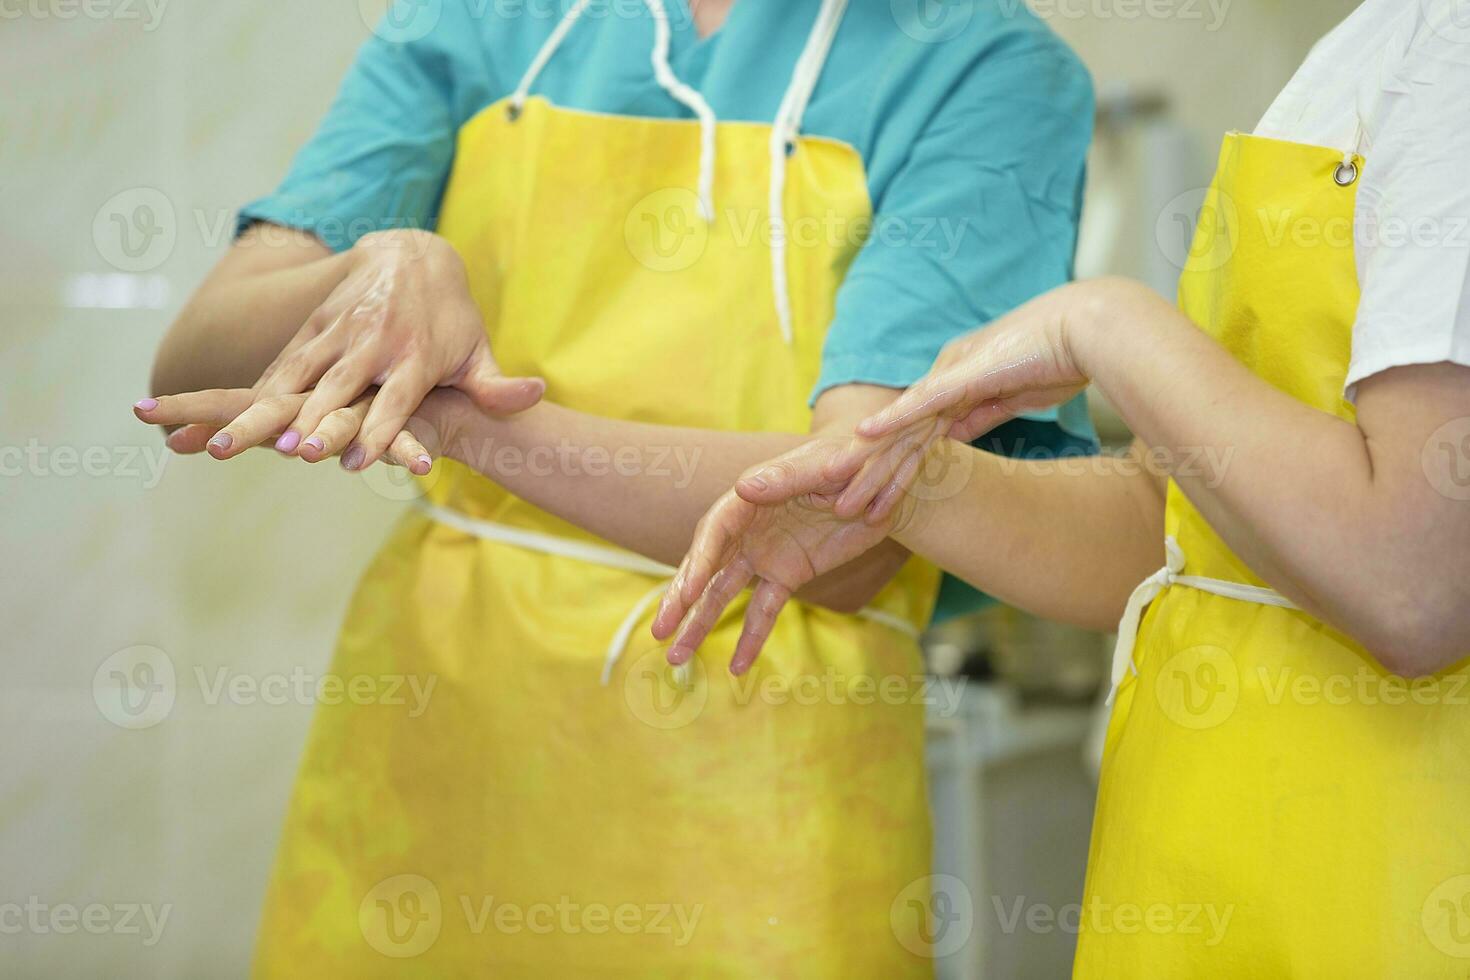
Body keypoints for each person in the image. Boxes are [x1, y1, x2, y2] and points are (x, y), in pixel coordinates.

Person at [136, 0, 1098, 972]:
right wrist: (379, 267)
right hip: (438, 747)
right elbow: (193, 365)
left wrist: (458, 417)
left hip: (757, 795)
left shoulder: (978, 63)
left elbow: (845, 521)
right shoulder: (483, 20)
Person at [656, 0, 1470, 973]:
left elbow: (1416, 577)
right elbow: (1172, 526)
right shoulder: (1375, 44)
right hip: (1218, 851)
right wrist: (905, 489)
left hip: (1379, 885)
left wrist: (1104, 325)